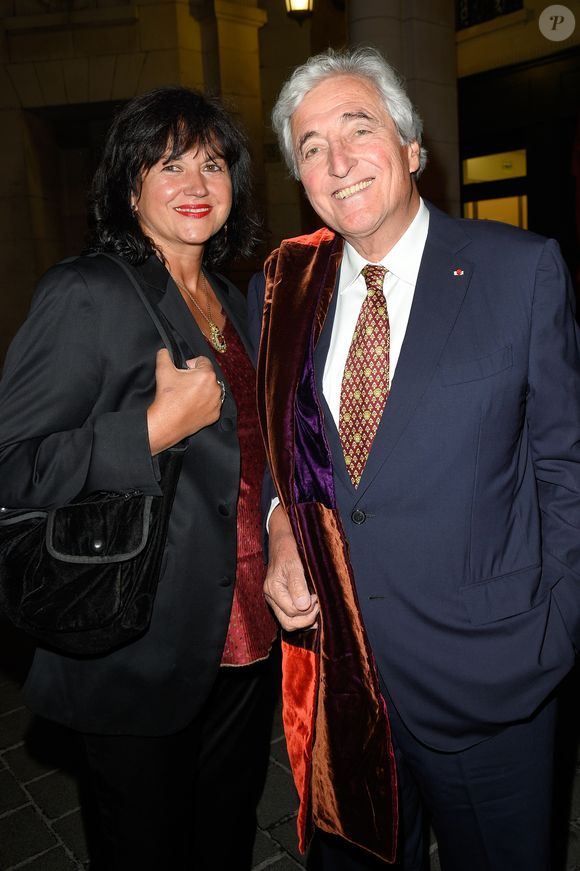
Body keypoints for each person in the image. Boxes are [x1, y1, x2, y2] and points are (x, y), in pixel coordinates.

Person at [249, 47, 580, 871]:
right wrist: (281, 521)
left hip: (491, 683)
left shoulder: (519, 270)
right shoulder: (288, 291)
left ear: (410, 146)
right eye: (312, 146)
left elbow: (566, 469)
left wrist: (557, 632)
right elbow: (275, 444)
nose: (337, 160)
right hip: (347, 689)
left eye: (357, 128)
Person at [0, 86, 277, 870]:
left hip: (245, 643)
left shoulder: (235, 301)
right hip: (138, 645)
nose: (196, 182)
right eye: (167, 164)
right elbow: (11, 465)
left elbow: (253, 464)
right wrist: (149, 431)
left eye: (213, 163)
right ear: (129, 189)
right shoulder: (86, 292)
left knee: (224, 841)